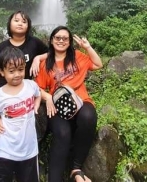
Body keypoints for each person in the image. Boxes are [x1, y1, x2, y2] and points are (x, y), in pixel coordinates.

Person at [0, 11, 48, 182]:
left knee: (35, 120)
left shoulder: (34, 43)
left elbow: (52, 53)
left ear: (29, 26)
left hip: (24, 91)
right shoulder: (2, 46)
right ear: (9, 24)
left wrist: (38, 59)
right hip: (4, 91)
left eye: (24, 21)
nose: (20, 23)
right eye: (16, 20)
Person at [35, 26, 103, 182]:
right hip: (58, 107)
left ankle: (76, 168)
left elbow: (99, 65)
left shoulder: (78, 56)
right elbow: (37, 88)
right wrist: (48, 97)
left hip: (81, 101)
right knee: (62, 134)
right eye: (57, 38)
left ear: (70, 42)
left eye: (65, 38)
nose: (61, 41)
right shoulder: (45, 63)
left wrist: (87, 47)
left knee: (88, 116)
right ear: (51, 40)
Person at [0, 47, 41, 182]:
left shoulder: (31, 85)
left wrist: (36, 105)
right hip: (5, 151)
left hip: (29, 151)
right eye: (11, 71)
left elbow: (38, 94)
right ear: (2, 72)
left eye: (20, 69)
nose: (17, 74)